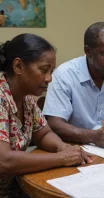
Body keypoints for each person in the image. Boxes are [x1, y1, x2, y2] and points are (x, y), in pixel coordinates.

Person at [0, 33, 92, 197]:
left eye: (51, 71)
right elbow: (4, 160)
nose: (49, 78)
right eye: (43, 70)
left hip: (16, 185)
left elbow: (43, 134)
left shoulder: (27, 99)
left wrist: (62, 147)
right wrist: (62, 158)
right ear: (18, 66)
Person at [43, 22, 104, 148]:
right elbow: (54, 123)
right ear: (88, 51)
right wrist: (92, 136)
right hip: (76, 149)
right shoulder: (64, 75)